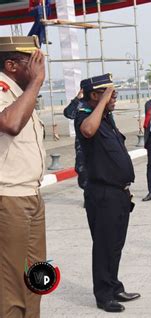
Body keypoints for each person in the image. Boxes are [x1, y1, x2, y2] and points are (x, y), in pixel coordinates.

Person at [75, 74, 140, 312]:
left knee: (115, 245)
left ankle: (114, 287)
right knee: (103, 246)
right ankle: (103, 295)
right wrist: (103, 101)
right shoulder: (85, 116)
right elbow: (88, 131)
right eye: (111, 94)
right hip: (102, 193)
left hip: (119, 193)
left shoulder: (106, 118)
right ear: (95, 96)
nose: (115, 98)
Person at [0, 36, 47, 317]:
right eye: (33, 61)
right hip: (9, 199)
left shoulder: (20, 93)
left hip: (31, 195)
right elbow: (11, 124)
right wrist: (37, 82)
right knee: (11, 284)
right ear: (11, 65)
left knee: (35, 277)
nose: (40, 66)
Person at [63, 89, 89, 189]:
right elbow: (68, 113)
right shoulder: (81, 104)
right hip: (83, 148)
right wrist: (77, 99)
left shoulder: (101, 105)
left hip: (99, 146)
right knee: (83, 173)